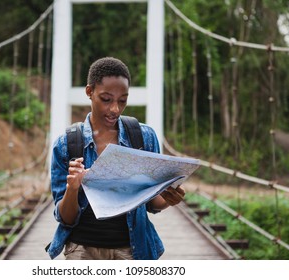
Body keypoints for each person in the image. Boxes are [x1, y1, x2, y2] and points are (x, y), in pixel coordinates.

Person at [46, 57, 185, 260]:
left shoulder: (144, 137)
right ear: (89, 92)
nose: (115, 109)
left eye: (122, 100)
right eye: (106, 99)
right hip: (82, 251)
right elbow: (66, 218)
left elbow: (152, 203)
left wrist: (168, 199)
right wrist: (72, 189)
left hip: (133, 250)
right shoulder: (66, 144)